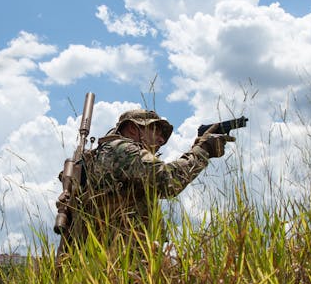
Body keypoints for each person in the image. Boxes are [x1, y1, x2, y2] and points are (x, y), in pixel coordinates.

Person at [56, 108, 234, 258]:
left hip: (106, 256)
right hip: (123, 259)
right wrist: (204, 150)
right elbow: (168, 181)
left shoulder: (102, 155)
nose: (161, 140)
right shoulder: (123, 150)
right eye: (155, 130)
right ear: (133, 129)